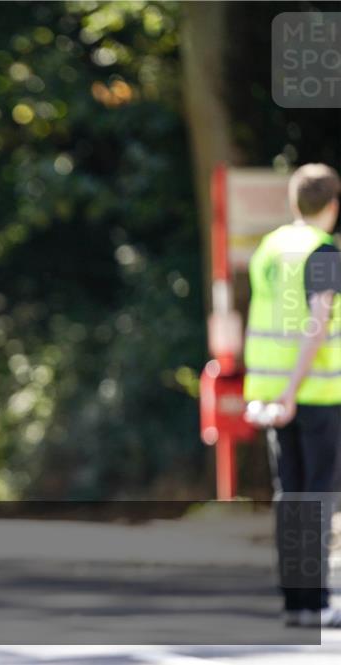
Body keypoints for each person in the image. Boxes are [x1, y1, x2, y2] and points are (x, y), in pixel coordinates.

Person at [243, 163, 341, 627]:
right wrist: (293, 390)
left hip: (273, 393)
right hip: (314, 394)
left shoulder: (270, 247)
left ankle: (297, 601)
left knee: (292, 493)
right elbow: (317, 325)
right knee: (317, 495)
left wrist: (275, 392)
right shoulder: (322, 250)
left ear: (293, 202)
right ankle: (317, 601)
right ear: (333, 206)